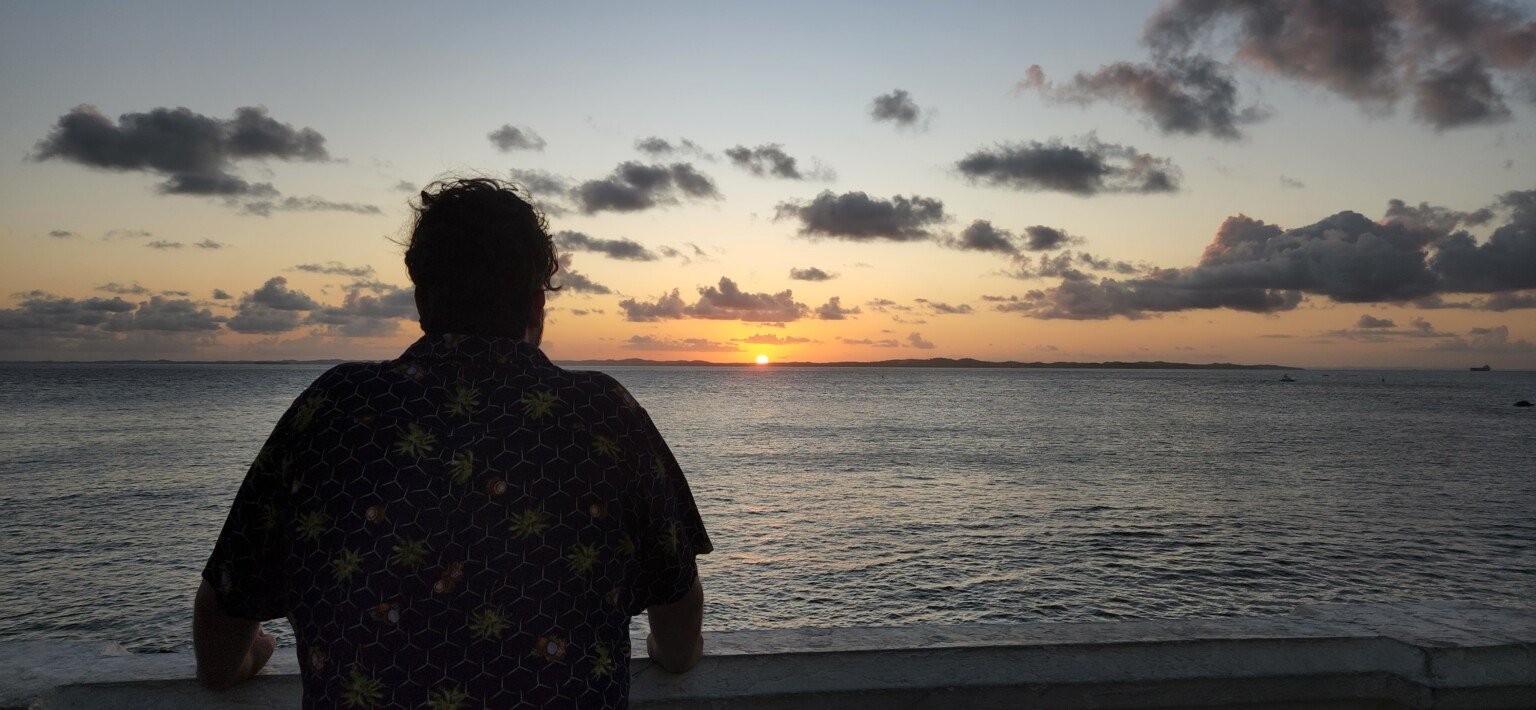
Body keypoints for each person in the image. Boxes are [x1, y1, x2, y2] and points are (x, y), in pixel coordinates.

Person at [194, 177, 711, 708]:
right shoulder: (603, 414)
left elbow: (218, 635)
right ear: (537, 300)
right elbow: (676, 616)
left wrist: (254, 653)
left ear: (421, 295)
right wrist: (671, 651)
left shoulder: (332, 410)